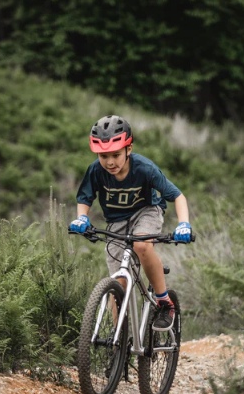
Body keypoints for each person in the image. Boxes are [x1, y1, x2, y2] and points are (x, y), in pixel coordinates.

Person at [69, 115, 192, 330]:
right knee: (118, 283)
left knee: (142, 245)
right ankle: (119, 343)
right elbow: (84, 198)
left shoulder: (144, 168)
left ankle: (164, 302)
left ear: (129, 149)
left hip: (147, 212)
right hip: (116, 222)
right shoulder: (96, 171)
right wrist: (82, 218)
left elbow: (178, 197)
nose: (110, 162)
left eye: (116, 155)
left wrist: (184, 224)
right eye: (103, 155)